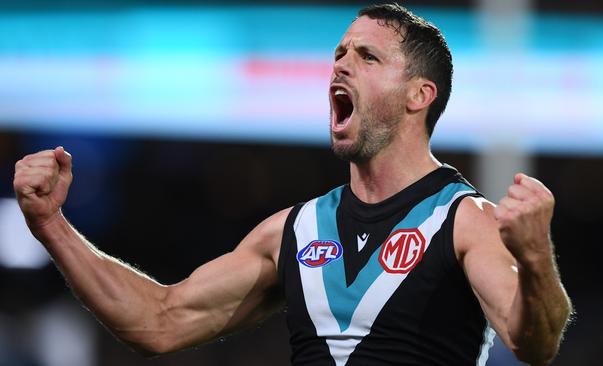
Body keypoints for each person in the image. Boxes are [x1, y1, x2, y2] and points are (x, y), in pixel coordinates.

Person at [13, 4, 571, 366]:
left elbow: (536, 343)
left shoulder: (464, 219)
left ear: (419, 96)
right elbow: (158, 320)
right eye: (338, 54)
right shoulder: (295, 230)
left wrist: (536, 255)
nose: (340, 66)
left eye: (367, 56)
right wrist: (50, 226)